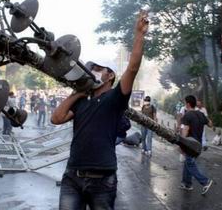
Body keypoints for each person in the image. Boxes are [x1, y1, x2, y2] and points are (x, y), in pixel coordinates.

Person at [51, 11, 149, 209]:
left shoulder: (114, 99)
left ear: (110, 75)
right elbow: (56, 118)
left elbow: (132, 69)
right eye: (91, 67)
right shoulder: (81, 100)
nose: (92, 70)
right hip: (72, 177)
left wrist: (139, 35)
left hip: (103, 182)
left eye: (97, 67)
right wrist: (77, 93)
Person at [180, 95, 213, 195]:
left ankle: (205, 182)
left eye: (185, 103)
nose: (185, 105)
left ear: (188, 104)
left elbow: (185, 130)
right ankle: (187, 183)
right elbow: (210, 124)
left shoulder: (187, 115)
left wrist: (181, 144)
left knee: (190, 163)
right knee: (188, 162)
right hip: (199, 144)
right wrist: (205, 118)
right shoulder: (201, 114)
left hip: (190, 144)